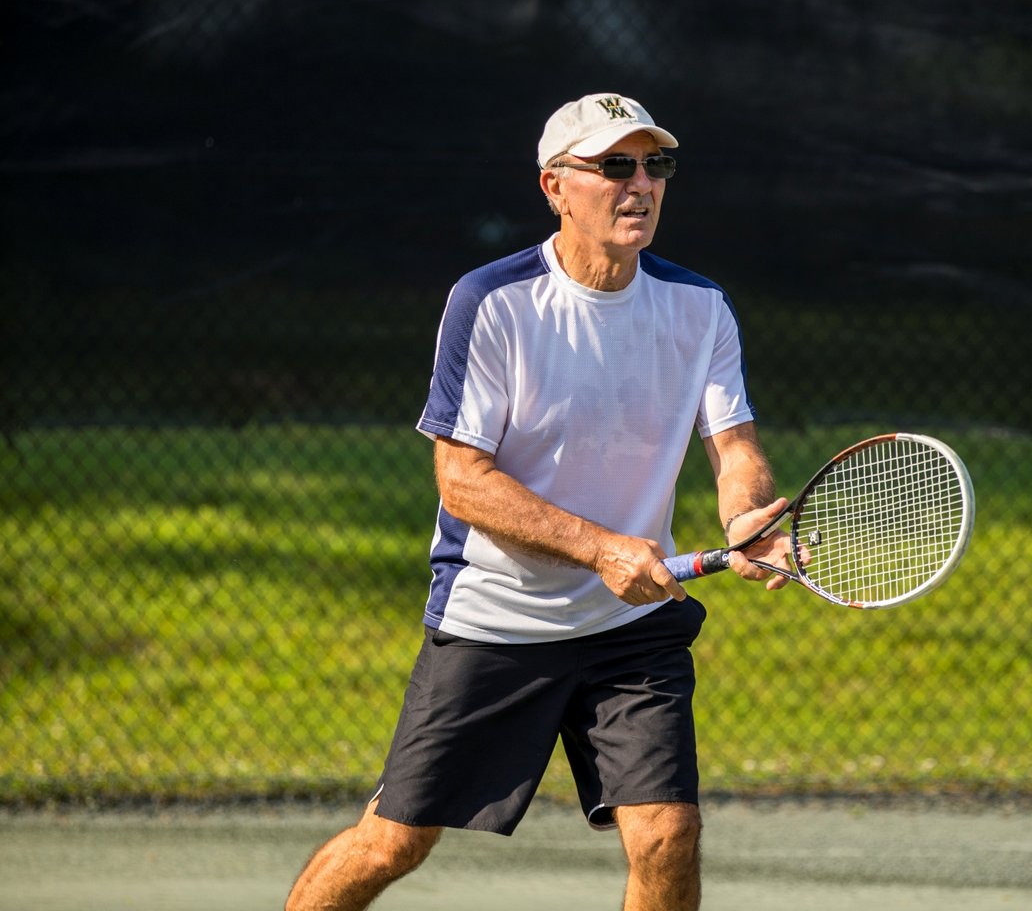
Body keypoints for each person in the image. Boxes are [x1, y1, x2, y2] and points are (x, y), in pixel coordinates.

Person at [285, 93, 796, 911]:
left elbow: (734, 449)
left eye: (654, 165)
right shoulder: (492, 302)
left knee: (667, 835)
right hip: (497, 623)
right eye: (614, 166)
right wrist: (600, 548)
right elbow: (463, 480)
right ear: (555, 187)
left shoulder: (700, 307)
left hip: (630, 632)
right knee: (393, 842)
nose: (641, 185)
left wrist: (745, 518)